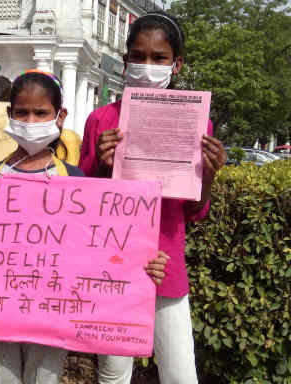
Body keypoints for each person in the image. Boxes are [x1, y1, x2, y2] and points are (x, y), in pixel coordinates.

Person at [0, 70, 170, 384]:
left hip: (53, 316)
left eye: (41, 113)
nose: (31, 121)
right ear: (9, 115)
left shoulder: (78, 183)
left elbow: (104, 250)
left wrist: (143, 265)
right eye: (22, 113)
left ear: (60, 116)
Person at [78, 12, 227, 384]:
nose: (147, 66)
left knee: (180, 374)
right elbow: (80, 206)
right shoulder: (101, 121)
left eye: (159, 58)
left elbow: (194, 211)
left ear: (176, 65)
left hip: (167, 264)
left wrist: (208, 175)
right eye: (139, 56)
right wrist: (100, 165)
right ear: (125, 60)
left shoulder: (197, 123)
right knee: (113, 373)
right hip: (113, 266)